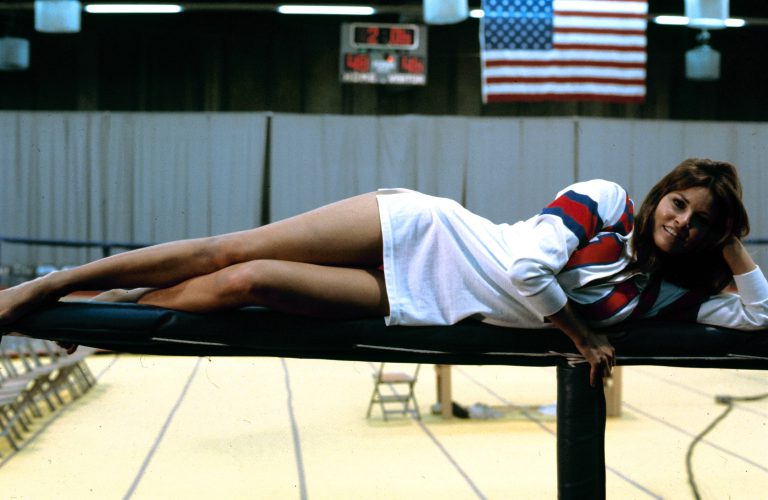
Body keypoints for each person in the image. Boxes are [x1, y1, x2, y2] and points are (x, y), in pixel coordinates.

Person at [0, 158, 765, 386]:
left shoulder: (662, 295)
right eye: (682, 204)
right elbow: (532, 270)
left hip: (422, 299)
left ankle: (109, 313)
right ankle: (51, 288)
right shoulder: (605, 200)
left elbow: (755, 318)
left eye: (700, 222)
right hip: (426, 228)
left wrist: (735, 243)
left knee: (251, 284)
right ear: (663, 192)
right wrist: (577, 334)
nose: (682, 222)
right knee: (228, 250)